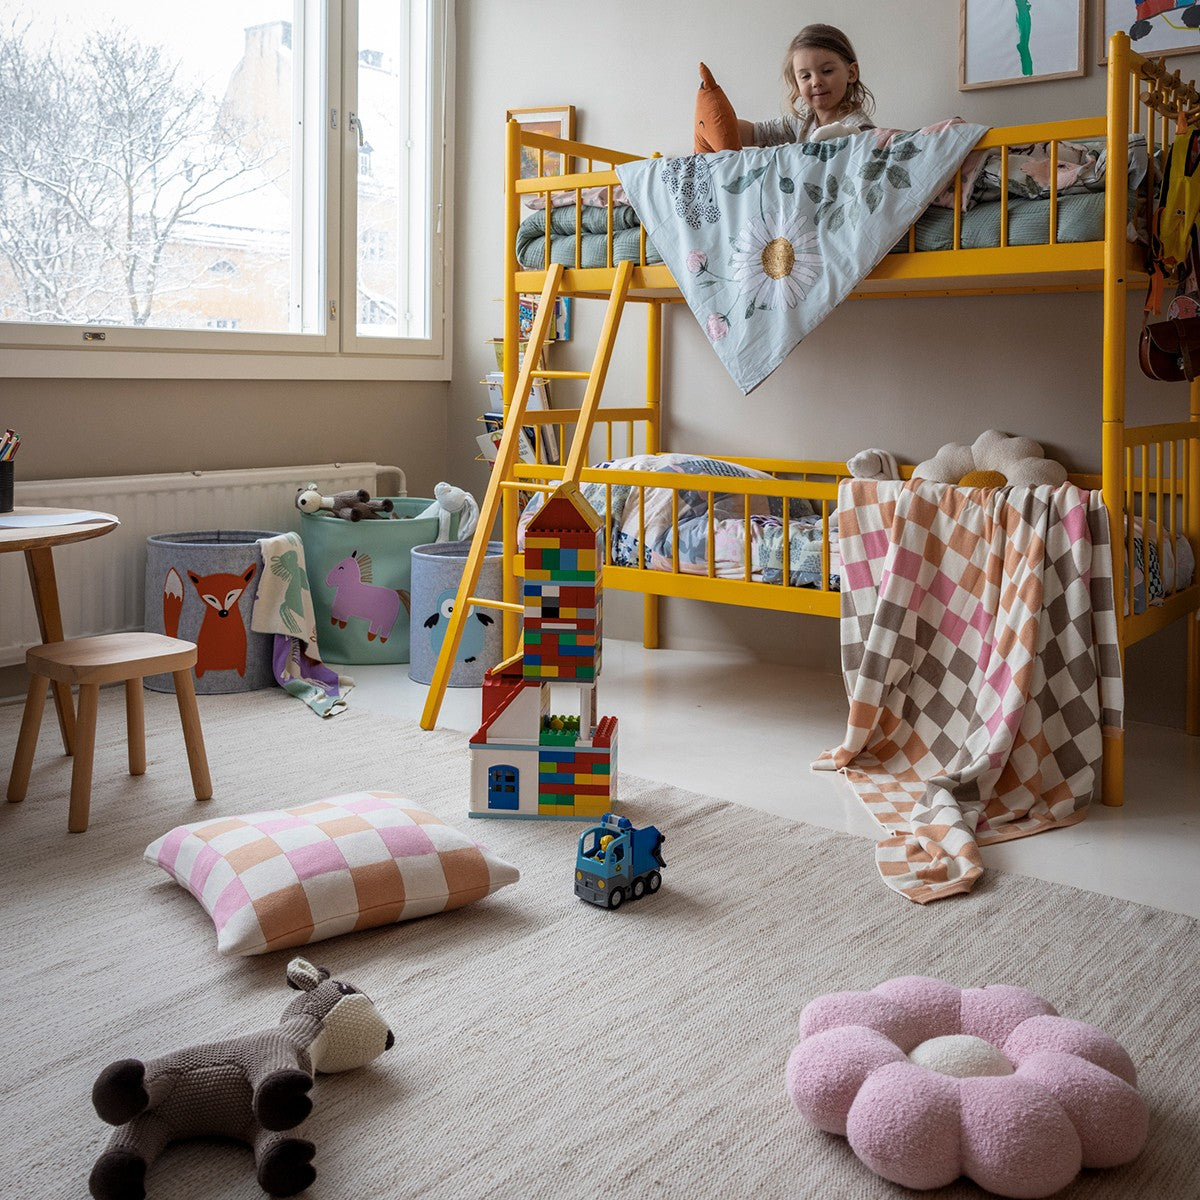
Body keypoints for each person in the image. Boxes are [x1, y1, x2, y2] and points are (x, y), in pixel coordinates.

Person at [737, 24, 875, 147]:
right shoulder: (801, 122)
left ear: (851, 73)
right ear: (796, 84)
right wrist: (719, 123)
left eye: (827, 71)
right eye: (805, 76)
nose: (816, 82)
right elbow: (753, 134)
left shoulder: (860, 129)